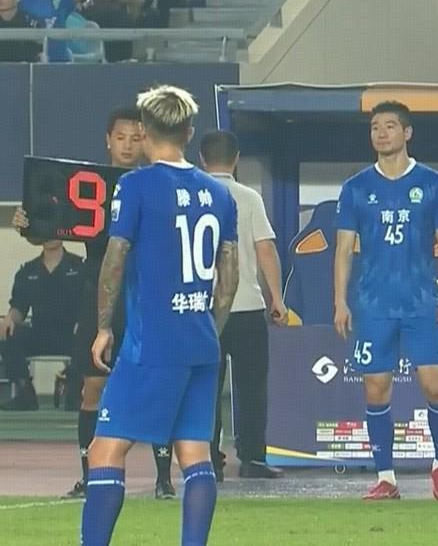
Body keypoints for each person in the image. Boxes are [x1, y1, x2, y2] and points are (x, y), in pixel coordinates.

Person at [81, 84, 239, 546]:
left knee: (105, 450)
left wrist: (104, 326)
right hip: (200, 341)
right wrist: (210, 330)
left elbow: (115, 257)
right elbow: (228, 277)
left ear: (145, 132)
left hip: (151, 342)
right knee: (195, 454)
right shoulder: (219, 193)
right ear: (189, 132)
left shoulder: (135, 186)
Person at [12, 108, 176, 499]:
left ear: (147, 140)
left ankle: (164, 480)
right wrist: (27, 225)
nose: (128, 145)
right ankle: (90, 476)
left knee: (155, 386)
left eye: (136, 137)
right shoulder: (87, 186)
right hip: (99, 295)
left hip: (148, 294)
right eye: (120, 137)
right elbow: (48, 229)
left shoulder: (161, 185)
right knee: (93, 388)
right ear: (107, 140)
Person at [333, 101, 438, 501]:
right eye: (375, 127)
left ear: (407, 133)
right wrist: (340, 301)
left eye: (389, 126)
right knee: (376, 389)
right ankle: (386, 477)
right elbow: (343, 249)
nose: (381, 133)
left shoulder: (432, 183)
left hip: (421, 302)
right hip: (374, 304)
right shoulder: (356, 188)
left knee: (434, 386)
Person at [199, 129, 287, 481]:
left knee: (205, 387)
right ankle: (253, 458)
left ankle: (208, 459)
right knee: (252, 387)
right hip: (247, 306)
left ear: (202, 159)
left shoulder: (193, 195)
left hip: (203, 309)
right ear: (236, 159)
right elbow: (266, 249)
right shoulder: (249, 197)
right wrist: (277, 298)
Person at [0, 240, 82, 410]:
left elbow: (90, 302)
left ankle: (75, 393)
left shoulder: (79, 266)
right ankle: (25, 393)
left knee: (88, 334)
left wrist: (84, 321)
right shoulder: (28, 270)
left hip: (71, 334)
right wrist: (9, 318)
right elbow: (19, 308)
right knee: (8, 332)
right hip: (39, 333)